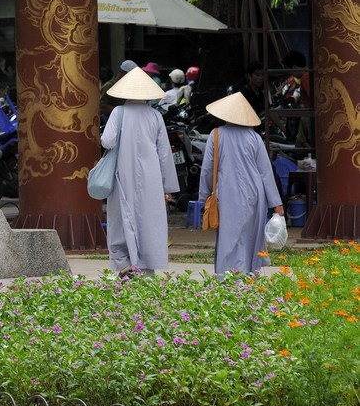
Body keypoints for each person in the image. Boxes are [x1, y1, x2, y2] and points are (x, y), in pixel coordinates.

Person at [101, 65, 179, 276]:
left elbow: (107, 141)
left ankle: (123, 262)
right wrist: (168, 186)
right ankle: (145, 268)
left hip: (123, 175)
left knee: (121, 219)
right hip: (150, 177)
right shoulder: (155, 116)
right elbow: (164, 154)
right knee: (147, 219)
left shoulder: (118, 112)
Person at [199, 91, 284, 274]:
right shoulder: (254, 138)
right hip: (255, 194)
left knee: (228, 238)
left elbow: (207, 170)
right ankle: (249, 273)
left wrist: (204, 196)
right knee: (251, 235)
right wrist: (276, 203)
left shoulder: (216, 136)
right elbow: (265, 172)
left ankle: (227, 276)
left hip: (227, 193)